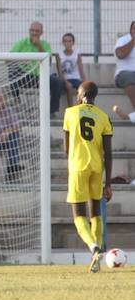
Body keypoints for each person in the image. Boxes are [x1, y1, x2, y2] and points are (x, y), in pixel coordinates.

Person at [62, 81, 113, 273]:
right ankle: (97, 258)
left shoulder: (70, 113)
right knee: (96, 213)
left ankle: (93, 247)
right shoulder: (103, 117)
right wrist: (108, 183)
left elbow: (67, 149)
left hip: (78, 167)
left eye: (77, 92)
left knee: (79, 215)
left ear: (81, 94)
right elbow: (108, 152)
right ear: (94, 96)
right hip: (97, 168)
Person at [9, 22, 64, 117]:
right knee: (12, 71)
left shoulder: (45, 45)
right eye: (32, 30)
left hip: (40, 77)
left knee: (57, 82)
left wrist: (39, 46)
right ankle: (16, 100)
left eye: (37, 31)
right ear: (29, 31)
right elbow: (8, 60)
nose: (34, 33)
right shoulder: (21, 43)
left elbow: (48, 62)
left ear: (41, 32)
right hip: (24, 76)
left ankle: (52, 111)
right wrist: (20, 60)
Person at [112, 21, 135, 124]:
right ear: (130, 30)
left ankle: (129, 117)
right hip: (124, 74)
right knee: (130, 77)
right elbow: (120, 54)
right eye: (134, 28)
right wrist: (133, 41)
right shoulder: (122, 40)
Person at [57, 32, 86, 108]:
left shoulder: (77, 54)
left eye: (69, 41)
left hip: (76, 79)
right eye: (65, 41)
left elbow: (81, 69)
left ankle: (81, 108)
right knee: (69, 87)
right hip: (65, 79)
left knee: (83, 88)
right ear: (63, 43)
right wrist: (66, 82)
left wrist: (85, 81)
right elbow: (60, 72)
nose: (67, 43)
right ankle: (71, 109)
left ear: (73, 42)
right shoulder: (59, 55)